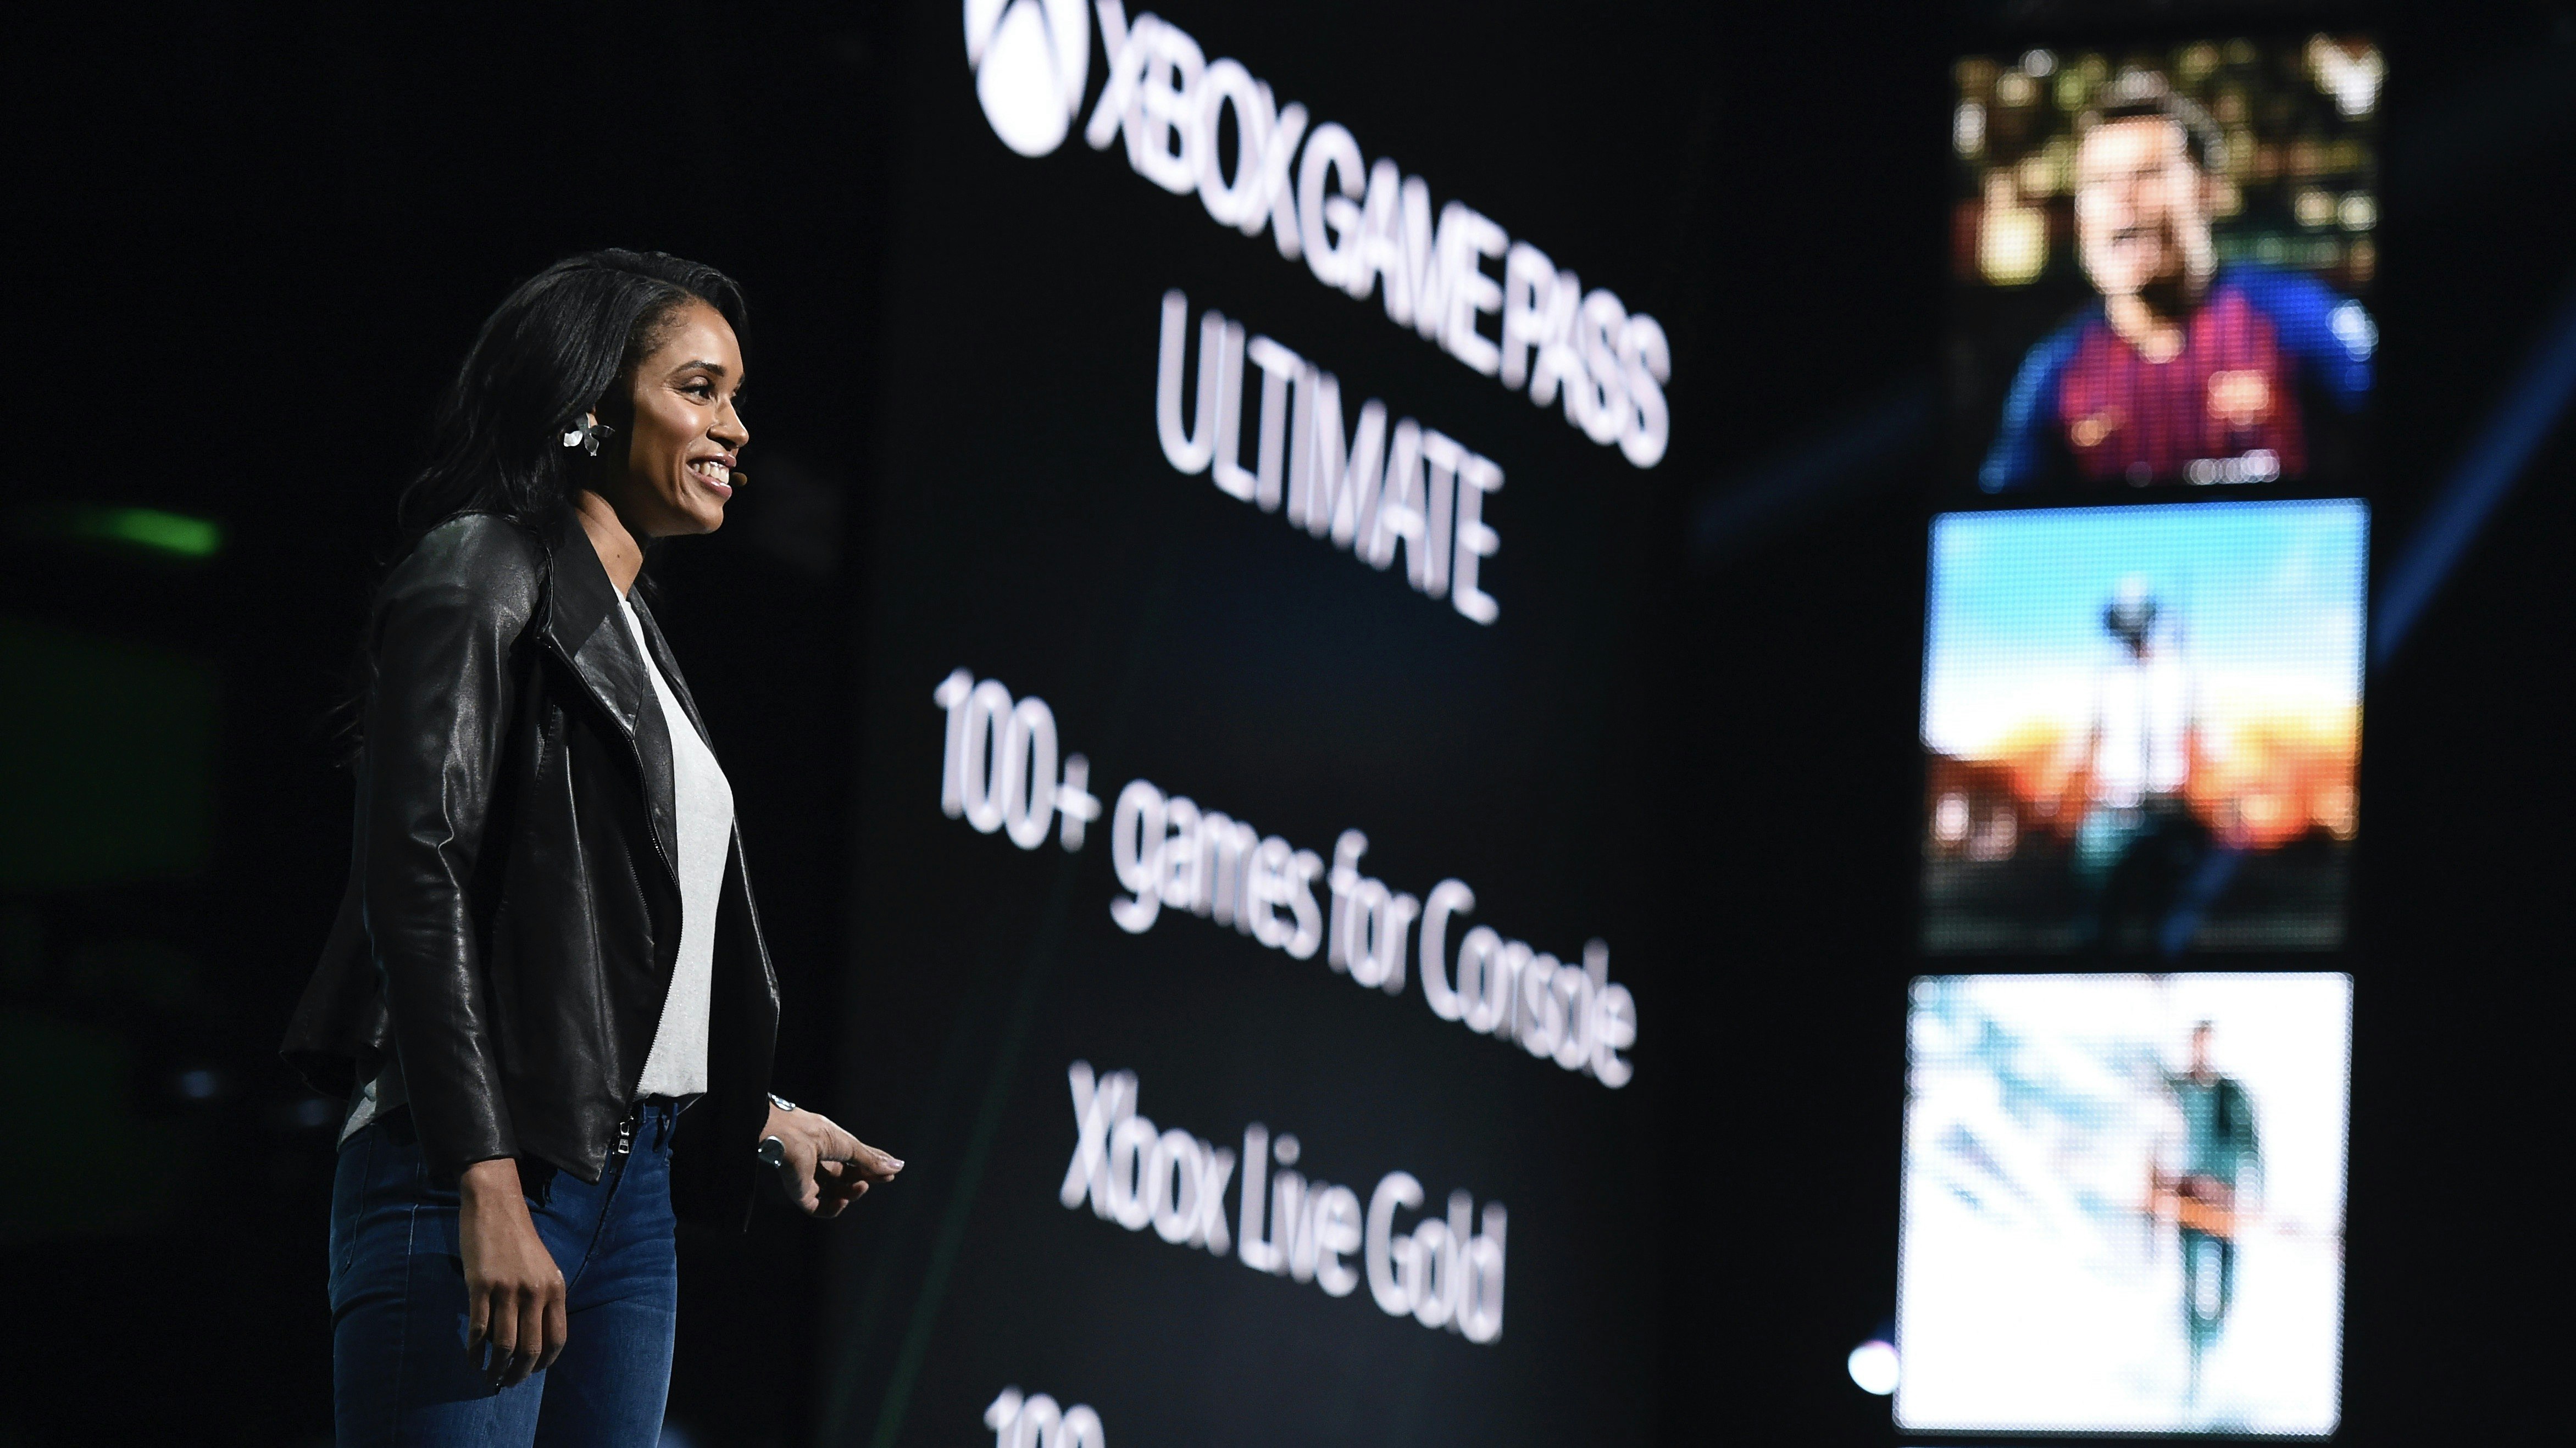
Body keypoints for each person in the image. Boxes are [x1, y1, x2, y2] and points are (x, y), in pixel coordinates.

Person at [281, 250, 903, 1446]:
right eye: (700, 388)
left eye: (733, 395)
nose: (737, 425)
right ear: (588, 408)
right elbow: (418, 874)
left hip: (632, 1198)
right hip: (478, 1162)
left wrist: (755, 1113)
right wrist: (486, 1177)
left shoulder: (640, 637)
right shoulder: (482, 568)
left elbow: (588, 945)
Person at [1979, 74, 2375, 491]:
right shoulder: (2055, 370)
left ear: (2210, 191)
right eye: (2098, 182)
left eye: (2148, 174)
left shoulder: (2301, 318)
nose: (2121, 198)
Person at [2069, 578, 2206, 950]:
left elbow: (2201, 740)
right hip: (2113, 803)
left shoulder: (2179, 674)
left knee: (2166, 900)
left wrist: (2190, 789)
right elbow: (2089, 735)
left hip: (2165, 805)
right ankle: (2095, 956)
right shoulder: (2107, 677)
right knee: (2094, 896)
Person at [2156, 1022, 2260, 1408]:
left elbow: (2252, 1146)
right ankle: (2194, 1370)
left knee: (2227, 1295)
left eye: (2207, 1046)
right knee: (2192, 1288)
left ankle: (2210, 1358)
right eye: (2196, 1046)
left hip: (2228, 1208)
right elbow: (2161, 1140)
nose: (2201, 1054)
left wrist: (2252, 1197)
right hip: (2189, 1206)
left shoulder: (2233, 1094)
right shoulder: (2177, 1090)